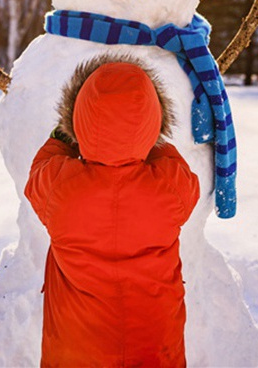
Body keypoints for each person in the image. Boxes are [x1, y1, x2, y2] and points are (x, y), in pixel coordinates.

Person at [25, 56, 200, 367]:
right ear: (154, 120)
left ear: (78, 118)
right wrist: (148, 141)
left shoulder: (59, 187)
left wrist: (62, 137)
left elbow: (38, 171)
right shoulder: (169, 186)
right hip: (154, 347)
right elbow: (182, 174)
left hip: (76, 350)